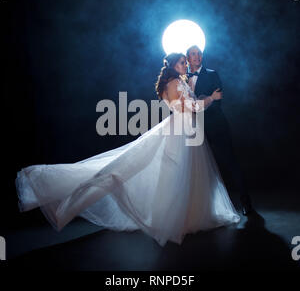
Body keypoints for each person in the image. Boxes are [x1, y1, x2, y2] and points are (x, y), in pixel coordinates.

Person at [15, 53, 240, 247]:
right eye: (182, 62)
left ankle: (186, 216)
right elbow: (190, 107)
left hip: (182, 128)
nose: (185, 65)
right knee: (156, 171)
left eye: (185, 62)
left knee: (181, 174)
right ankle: (177, 219)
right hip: (181, 130)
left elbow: (186, 104)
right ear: (173, 65)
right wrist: (211, 98)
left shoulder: (172, 83)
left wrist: (198, 96)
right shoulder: (175, 83)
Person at [186, 45, 253, 215]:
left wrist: (198, 106)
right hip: (193, 129)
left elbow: (217, 102)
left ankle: (246, 203)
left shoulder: (212, 74)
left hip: (215, 125)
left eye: (199, 53)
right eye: (193, 54)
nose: (197, 56)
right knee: (196, 167)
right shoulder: (182, 78)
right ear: (187, 58)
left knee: (230, 163)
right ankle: (202, 209)